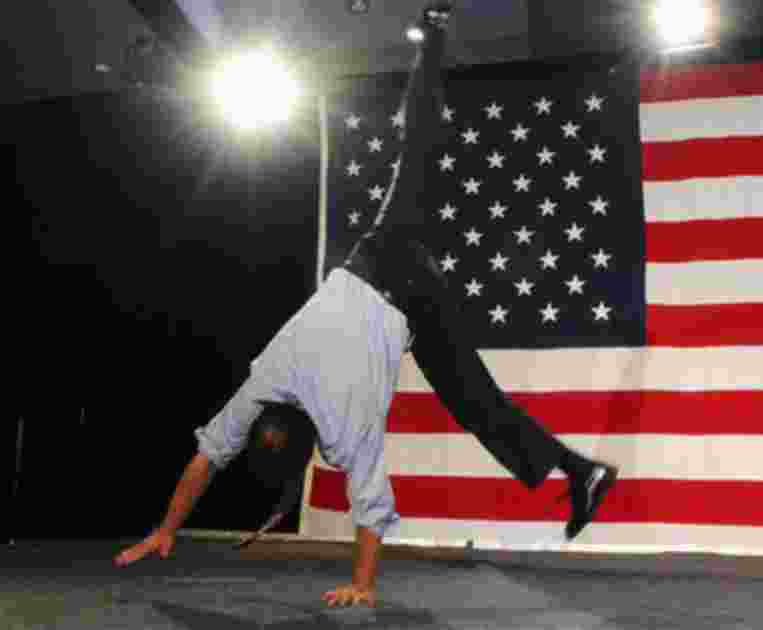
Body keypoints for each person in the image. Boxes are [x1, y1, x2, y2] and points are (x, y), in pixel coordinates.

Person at [114, 3, 618, 609]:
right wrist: (167, 526)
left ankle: (434, 28)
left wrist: (362, 584)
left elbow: (362, 502)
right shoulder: (266, 380)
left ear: (311, 442)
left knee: (474, 398)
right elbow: (208, 457)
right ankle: (578, 471)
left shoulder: (339, 419)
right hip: (394, 280)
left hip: (399, 274)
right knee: (473, 397)